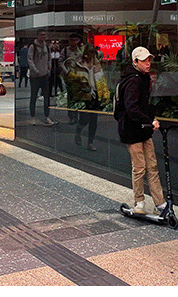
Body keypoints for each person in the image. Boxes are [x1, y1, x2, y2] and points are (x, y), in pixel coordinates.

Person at [115, 46, 167, 216]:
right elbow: (131, 108)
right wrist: (149, 120)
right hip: (131, 130)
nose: (148, 63)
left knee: (152, 166)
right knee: (139, 167)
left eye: (149, 59)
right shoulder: (132, 80)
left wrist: (153, 116)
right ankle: (139, 203)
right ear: (135, 62)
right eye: (144, 60)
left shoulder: (144, 78)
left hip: (143, 129)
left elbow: (143, 105)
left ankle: (160, 204)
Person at [65, 43, 108, 151]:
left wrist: (104, 95)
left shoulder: (96, 65)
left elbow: (102, 81)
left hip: (94, 94)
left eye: (93, 55)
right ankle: (78, 130)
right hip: (83, 95)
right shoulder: (79, 65)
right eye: (89, 54)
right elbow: (71, 78)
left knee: (94, 119)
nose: (91, 57)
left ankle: (90, 142)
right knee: (84, 118)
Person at [28, 30, 55, 125]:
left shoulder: (47, 47)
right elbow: (30, 60)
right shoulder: (33, 47)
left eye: (44, 35)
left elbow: (49, 59)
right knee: (33, 96)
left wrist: (48, 69)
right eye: (41, 35)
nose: (43, 37)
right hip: (35, 76)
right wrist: (35, 70)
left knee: (46, 97)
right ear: (37, 36)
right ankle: (33, 117)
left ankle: (47, 117)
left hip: (44, 75)